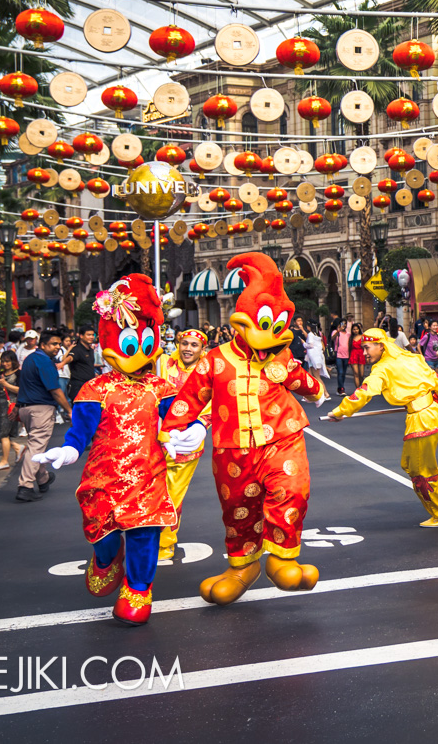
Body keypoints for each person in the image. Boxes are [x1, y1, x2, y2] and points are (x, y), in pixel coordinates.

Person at [162, 253, 328, 607]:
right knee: (238, 507)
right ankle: (243, 567)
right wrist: (173, 429)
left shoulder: (280, 358)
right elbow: (190, 396)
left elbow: (299, 378)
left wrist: (317, 392)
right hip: (232, 448)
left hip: (282, 438)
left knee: (292, 491)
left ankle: (282, 557)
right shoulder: (216, 359)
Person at [33, 276, 179, 626]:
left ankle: (138, 590)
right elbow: (80, 432)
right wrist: (67, 451)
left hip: (148, 477)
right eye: (129, 340)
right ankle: (105, 559)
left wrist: (184, 434)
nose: (138, 350)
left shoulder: (162, 388)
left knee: (146, 534)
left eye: (145, 340)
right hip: (104, 479)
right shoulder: (94, 388)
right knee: (105, 534)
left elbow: (177, 421)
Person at [329, 328, 438, 526]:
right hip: (429, 414)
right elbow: (437, 380)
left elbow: (365, 391)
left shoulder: (383, 368)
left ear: (381, 345)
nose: (364, 353)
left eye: (367, 348)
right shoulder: (410, 358)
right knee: (410, 464)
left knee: (419, 471)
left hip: (422, 420)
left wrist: (341, 411)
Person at [155, 329, 211, 562]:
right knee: (149, 492)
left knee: (173, 495)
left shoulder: (208, 371)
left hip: (186, 444)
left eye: (194, 345)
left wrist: (200, 425)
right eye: (184, 343)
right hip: (155, 439)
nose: (188, 348)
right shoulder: (163, 363)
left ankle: (164, 544)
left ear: (202, 349)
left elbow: (214, 401)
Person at [14, 330, 73, 503]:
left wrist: (17, 407)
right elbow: (55, 390)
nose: (57, 347)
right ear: (43, 345)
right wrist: (69, 410)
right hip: (41, 408)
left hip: (26, 407)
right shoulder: (44, 362)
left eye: (58, 344)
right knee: (36, 446)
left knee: (36, 444)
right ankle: (24, 486)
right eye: (53, 344)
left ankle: (43, 478)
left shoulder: (30, 359)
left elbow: (24, 385)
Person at [0, 350, 21, 471]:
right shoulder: (0, 374)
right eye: (3, 361)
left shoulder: (18, 374)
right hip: (0, 406)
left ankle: (4, 461)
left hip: (11, 405)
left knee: (3, 434)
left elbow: (20, 390)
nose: (5, 364)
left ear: (13, 362)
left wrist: (5, 384)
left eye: (7, 361)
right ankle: (17, 447)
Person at [62, 325, 98, 402]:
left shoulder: (90, 349)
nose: (91, 337)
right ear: (81, 336)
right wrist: (62, 363)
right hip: (78, 387)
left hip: (89, 385)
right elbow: (70, 358)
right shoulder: (77, 349)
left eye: (92, 335)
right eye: (88, 335)